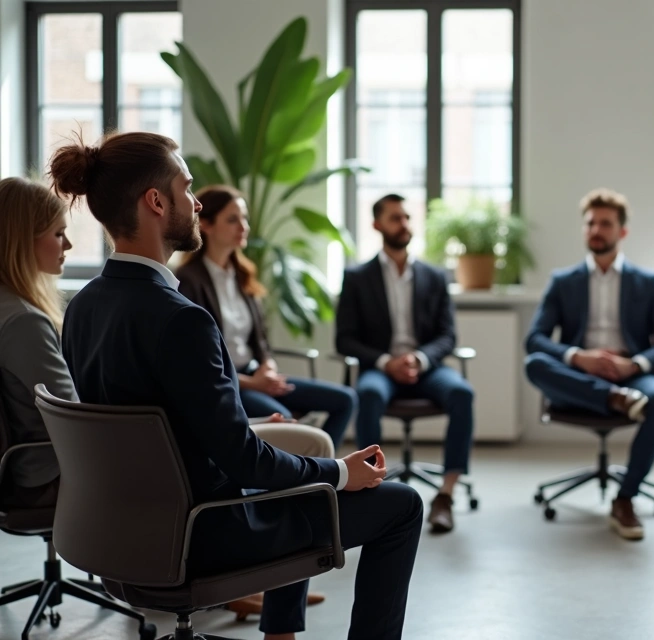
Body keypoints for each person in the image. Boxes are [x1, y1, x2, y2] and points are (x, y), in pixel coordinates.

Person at [50, 131, 422, 640]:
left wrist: (241, 424)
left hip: (120, 534)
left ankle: (280, 633)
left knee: (296, 457)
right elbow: (244, 462)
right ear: (156, 203)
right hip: (203, 533)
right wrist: (339, 472)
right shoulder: (181, 319)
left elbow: (145, 426)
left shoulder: (85, 307)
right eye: (187, 187)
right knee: (400, 505)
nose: (196, 200)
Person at [523, 188, 654, 541]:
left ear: (622, 232)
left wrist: (635, 364)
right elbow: (535, 338)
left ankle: (625, 498)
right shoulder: (563, 282)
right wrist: (579, 357)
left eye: (605, 224)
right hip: (578, 376)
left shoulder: (646, 282)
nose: (596, 230)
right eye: (590, 223)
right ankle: (612, 397)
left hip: (632, 376)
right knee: (535, 363)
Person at [177, 185, 358, 451]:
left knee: (345, 399)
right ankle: (303, 481)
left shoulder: (243, 275)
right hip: (229, 383)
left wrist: (268, 367)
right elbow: (199, 362)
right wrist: (254, 383)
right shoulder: (189, 281)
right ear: (206, 224)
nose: (244, 226)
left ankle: (320, 473)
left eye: (244, 218)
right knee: (285, 422)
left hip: (256, 374)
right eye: (233, 219)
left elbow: (260, 339)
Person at [335, 193, 473, 534]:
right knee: (366, 394)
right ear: (377, 225)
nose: (404, 224)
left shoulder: (435, 276)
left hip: (425, 368)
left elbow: (448, 335)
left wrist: (419, 359)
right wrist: (386, 361)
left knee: (462, 394)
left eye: (407, 217)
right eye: (395, 218)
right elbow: (344, 339)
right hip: (381, 369)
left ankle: (445, 495)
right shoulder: (357, 278)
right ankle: (370, 491)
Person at [0, 177, 73, 509]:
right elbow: (73, 422)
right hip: (44, 478)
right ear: (21, 240)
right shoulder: (24, 321)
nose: (68, 245)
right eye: (58, 233)